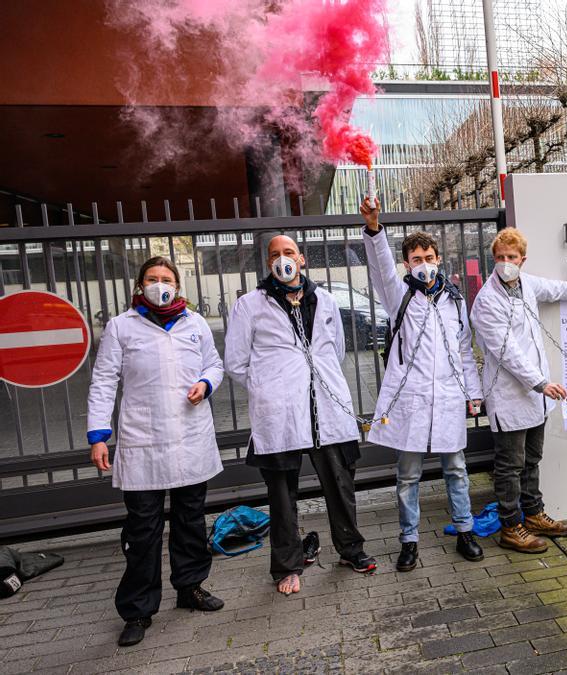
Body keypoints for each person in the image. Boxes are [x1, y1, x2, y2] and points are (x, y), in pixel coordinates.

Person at [224, 234, 377, 596]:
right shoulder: (250, 305)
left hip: (327, 409)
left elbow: (335, 349)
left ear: (302, 259)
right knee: (281, 495)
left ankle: (350, 550)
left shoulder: (323, 299)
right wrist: (271, 386)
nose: (283, 259)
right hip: (280, 415)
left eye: (288, 252)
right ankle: (288, 566)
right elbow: (235, 362)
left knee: (341, 486)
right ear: (268, 264)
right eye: (275, 255)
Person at [87, 256, 225, 647]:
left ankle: (190, 587)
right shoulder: (120, 327)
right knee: (143, 529)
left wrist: (205, 383)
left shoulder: (195, 324)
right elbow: (103, 381)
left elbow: (215, 364)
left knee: (191, 519)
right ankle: (137, 610)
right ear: (139, 285)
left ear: (177, 286)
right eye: (152, 278)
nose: (159, 285)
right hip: (143, 441)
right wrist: (98, 434)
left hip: (189, 436)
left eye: (166, 279)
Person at [470, 228, 567, 553]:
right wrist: (541, 383)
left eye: (511, 258)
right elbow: (507, 351)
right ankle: (511, 527)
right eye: (500, 258)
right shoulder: (486, 301)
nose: (505, 263)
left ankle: (533, 514)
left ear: (522, 260)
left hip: (538, 396)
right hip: (512, 395)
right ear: (493, 259)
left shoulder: (526, 284)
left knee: (532, 459)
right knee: (510, 465)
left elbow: (555, 289)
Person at [360, 198, 485, 572]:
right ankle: (409, 541)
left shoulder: (454, 300)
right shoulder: (400, 297)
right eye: (416, 259)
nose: (425, 265)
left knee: (457, 470)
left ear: (438, 259)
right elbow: (380, 268)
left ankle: (465, 531)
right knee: (408, 476)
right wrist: (373, 227)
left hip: (447, 398)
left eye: (429, 257)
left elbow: (464, 349)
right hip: (411, 401)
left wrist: (474, 393)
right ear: (407, 265)